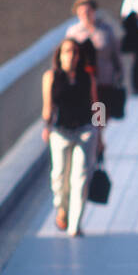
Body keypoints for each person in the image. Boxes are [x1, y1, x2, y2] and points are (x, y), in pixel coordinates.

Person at [41, 38, 100, 237]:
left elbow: (97, 105)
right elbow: (48, 107)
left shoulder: (88, 77)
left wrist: (100, 135)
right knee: (59, 177)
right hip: (60, 132)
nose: (71, 56)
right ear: (60, 55)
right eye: (67, 52)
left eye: (75, 52)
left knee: (80, 178)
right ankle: (62, 208)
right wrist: (46, 126)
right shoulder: (50, 77)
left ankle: (75, 224)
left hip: (85, 130)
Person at [65, 0, 124, 119]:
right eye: (82, 12)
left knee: (100, 111)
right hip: (83, 78)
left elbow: (115, 52)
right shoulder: (73, 32)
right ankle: (93, 134)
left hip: (103, 78)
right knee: (85, 110)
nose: (86, 15)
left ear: (94, 11)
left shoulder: (105, 29)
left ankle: (99, 134)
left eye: (88, 11)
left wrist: (119, 72)